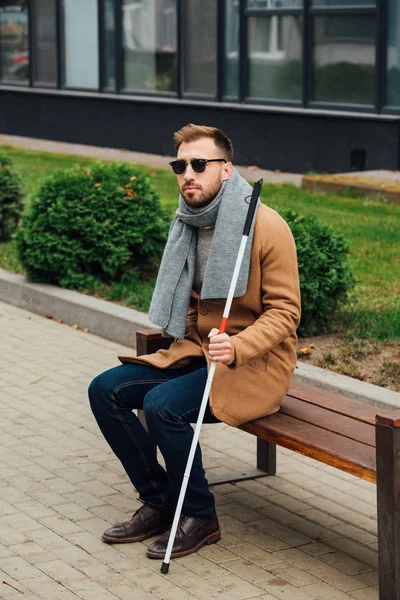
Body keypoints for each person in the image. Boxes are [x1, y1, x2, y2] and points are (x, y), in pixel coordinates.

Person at [88, 123, 301, 560]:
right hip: (201, 351)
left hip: (254, 365)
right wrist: (192, 328)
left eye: (199, 164)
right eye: (180, 165)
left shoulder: (264, 225)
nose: (188, 173)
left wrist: (238, 347)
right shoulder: (188, 222)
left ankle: (200, 514)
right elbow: (190, 298)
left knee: (162, 406)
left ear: (226, 170)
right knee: (105, 390)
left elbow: (286, 313)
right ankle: (161, 500)